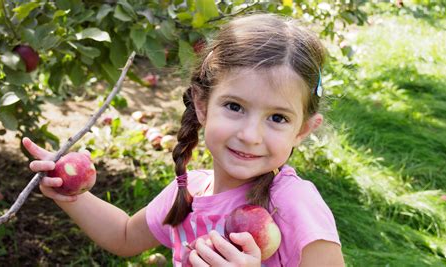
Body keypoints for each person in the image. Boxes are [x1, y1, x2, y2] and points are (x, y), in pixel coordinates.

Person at [23, 13, 344, 266]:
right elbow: (123, 237)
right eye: (234, 107)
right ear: (202, 105)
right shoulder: (188, 192)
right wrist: (70, 193)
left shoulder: (293, 205)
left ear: (302, 130)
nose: (249, 135)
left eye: (277, 118)